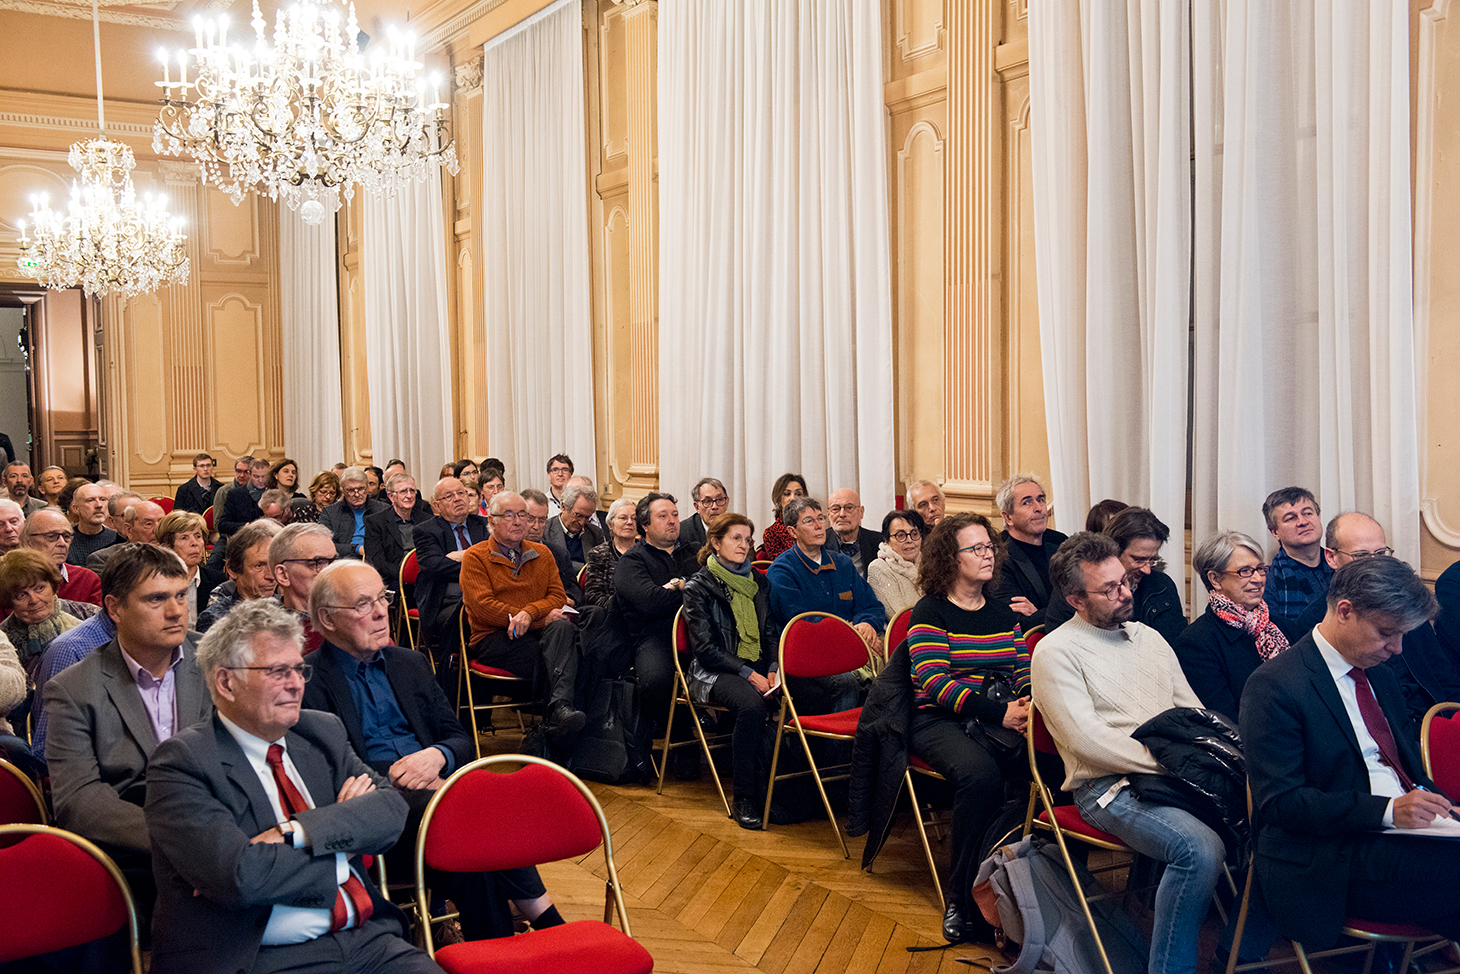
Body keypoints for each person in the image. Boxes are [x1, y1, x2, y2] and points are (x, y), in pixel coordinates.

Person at [143, 599, 436, 974]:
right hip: (258, 955)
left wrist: (297, 832)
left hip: (365, 940)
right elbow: (241, 878)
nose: (296, 683)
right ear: (226, 681)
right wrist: (343, 847)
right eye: (278, 671)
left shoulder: (320, 732)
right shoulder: (182, 762)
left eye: (298, 669)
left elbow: (391, 813)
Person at [303, 561, 566, 939]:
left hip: (442, 804)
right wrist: (404, 775)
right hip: (378, 819)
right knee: (473, 812)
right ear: (327, 618)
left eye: (383, 597)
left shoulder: (408, 664)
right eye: (363, 604)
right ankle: (546, 922)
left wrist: (438, 756)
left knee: (474, 857)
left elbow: (460, 739)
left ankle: (494, 953)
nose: (381, 612)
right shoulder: (308, 680)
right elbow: (331, 769)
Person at [1240, 556, 1460, 952]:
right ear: (1345, 611)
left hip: (1404, 837)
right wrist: (1389, 812)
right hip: (1330, 856)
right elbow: (1281, 804)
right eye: (1386, 634)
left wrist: (1442, 808)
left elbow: (1404, 770)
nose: (1397, 648)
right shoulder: (1275, 686)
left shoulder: (1380, 674)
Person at [1031, 531, 1221, 974]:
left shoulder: (1149, 638)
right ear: (1076, 599)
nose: (1125, 593)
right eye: (1109, 589)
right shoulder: (1055, 650)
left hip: (1171, 777)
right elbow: (1087, 742)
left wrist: (1207, 758)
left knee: (1275, 818)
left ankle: (1239, 950)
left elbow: (1191, 711)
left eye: (1125, 582)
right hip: (1106, 788)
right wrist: (1174, 764)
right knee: (1200, 851)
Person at [43, 545, 210, 945]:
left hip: (227, 828)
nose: (175, 611)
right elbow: (79, 801)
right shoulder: (72, 688)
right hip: (139, 850)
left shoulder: (219, 661)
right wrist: (179, 840)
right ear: (115, 608)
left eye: (180, 595)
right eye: (156, 599)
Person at [907, 513, 1034, 945]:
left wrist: (1028, 703)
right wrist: (1002, 715)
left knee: (1049, 769)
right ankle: (961, 898)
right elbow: (934, 682)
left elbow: (1022, 669)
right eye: (975, 548)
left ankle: (1027, 890)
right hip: (937, 719)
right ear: (949, 558)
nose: (988, 555)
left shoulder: (1002, 611)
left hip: (996, 717)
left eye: (989, 547)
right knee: (981, 777)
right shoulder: (931, 610)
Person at [681, 513, 782, 829]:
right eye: (736, 538)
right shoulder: (698, 586)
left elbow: (769, 632)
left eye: (748, 539)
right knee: (752, 706)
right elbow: (706, 650)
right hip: (712, 671)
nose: (744, 545)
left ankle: (787, 791)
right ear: (715, 542)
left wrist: (774, 668)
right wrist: (750, 675)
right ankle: (744, 797)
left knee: (809, 692)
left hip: (756, 666)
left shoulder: (759, 581)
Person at [459, 491, 585, 737]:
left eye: (522, 515)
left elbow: (557, 597)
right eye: (509, 515)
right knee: (564, 659)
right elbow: (483, 607)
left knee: (565, 631)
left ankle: (557, 719)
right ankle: (555, 731)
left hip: (539, 632)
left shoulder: (542, 553)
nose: (518, 521)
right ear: (491, 521)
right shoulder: (475, 557)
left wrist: (529, 614)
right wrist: (537, 616)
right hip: (495, 637)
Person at [1171, 530, 1293, 722]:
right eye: (1245, 571)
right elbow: (1224, 719)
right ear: (1215, 579)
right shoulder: (1196, 643)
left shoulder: (1280, 627)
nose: (1258, 579)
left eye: (1260, 568)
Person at [613, 492, 702, 744]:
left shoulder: (694, 551)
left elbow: (714, 587)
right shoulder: (632, 561)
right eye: (662, 516)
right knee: (656, 681)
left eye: (674, 514)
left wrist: (678, 585)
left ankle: (728, 745)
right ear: (645, 525)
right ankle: (682, 739)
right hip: (654, 636)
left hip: (701, 631)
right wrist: (692, 590)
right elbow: (651, 602)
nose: (672, 521)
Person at [1044, 506, 1187, 643]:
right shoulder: (1077, 588)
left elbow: (1177, 643)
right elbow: (1062, 644)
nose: (1147, 570)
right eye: (1138, 559)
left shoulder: (1162, 585)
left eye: (1152, 560)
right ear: (1114, 551)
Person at [766, 497, 885, 655]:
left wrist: (866, 624)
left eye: (820, 518)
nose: (818, 526)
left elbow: (871, 606)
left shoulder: (842, 563)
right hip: (813, 654)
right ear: (792, 531)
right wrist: (853, 634)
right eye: (809, 521)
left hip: (855, 645)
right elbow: (801, 626)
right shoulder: (782, 571)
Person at [0, 547, 100, 684]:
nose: (34, 600)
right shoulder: (4, 641)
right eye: (21, 595)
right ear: (9, 600)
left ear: (52, 585)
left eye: (40, 588)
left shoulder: (90, 615)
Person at [413, 477, 491, 649]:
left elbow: (497, 558)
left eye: (461, 493)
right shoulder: (425, 531)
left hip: (488, 595)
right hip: (447, 601)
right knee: (471, 616)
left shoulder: (485, 525)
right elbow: (436, 567)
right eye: (449, 496)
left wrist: (466, 555)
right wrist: (480, 563)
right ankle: (455, 667)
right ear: (436, 506)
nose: (457, 498)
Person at [990, 473, 1067, 627]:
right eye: (1027, 503)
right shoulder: (997, 555)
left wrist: (1038, 612)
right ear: (1008, 517)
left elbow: (1084, 599)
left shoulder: (1061, 543)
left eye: (1041, 500)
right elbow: (1019, 621)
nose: (1038, 508)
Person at [1261, 486, 1332, 628]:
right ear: (1275, 532)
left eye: (1307, 513)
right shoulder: (1267, 582)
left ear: (1318, 517)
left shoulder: (1342, 565)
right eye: (1290, 518)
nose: (1303, 522)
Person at [198, 519, 282, 632]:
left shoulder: (288, 609)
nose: (271, 576)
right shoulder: (216, 620)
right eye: (259, 566)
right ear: (232, 569)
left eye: (273, 564)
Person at [269, 523, 336, 654]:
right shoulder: (265, 635)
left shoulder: (354, 620)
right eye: (318, 563)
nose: (330, 571)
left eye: (332, 562)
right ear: (283, 575)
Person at [156, 510, 224, 627]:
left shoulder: (219, 582)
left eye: (198, 536)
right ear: (167, 547)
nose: (194, 543)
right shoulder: (155, 585)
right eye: (184, 538)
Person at [23, 506, 102, 605]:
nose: (62, 543)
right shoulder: (11, 579)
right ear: (28, 541)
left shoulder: (87, 579)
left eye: (66, 537)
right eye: (51, 536)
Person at [363, 473, 431, 585]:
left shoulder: (427, 520)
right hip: (394, 579)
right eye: (404, 491)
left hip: (426, 577)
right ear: (391, 496)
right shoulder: (376, 522)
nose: (409, 496)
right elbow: (377, 562)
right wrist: (407, 574)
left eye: (412, 491)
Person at [867, 509, 928, 625]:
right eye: (901, 535)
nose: (909, 540)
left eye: (914, 534)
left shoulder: (929, 564)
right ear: (887, 540)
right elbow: (899, 616)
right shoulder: (879, 567)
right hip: (904, 637)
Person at [522, 488, 582, 604]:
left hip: (561, 606)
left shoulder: (559, 553)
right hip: (532, 609)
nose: (536, 526)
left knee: (595, 613)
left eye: (542, 520)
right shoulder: (510, 551)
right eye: (530, 519)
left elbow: (573, 589)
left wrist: (570, 599)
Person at [320, 466, 388, 560]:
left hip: (377, 560)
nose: (357, 494)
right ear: (342, 490)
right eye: (351, 490)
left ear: (367, 487)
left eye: (361, 489)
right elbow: (324, 545)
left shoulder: (383, 510)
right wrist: (357, 548)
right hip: (343, 561)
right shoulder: (330, 512)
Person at [583, 497, 638, 609]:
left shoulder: (649, 552)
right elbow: (593, 596)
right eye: (623, 518)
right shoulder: (599, 554)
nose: (630, 522)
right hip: (612, 614)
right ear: (610, 524)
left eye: (634, 518)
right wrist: (625, 606)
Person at [88, 499, 167, 573]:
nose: (157, 530)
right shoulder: (104, 560)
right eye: (148, 524)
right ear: (129, 530)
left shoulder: (174, 555)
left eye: (162, 523)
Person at [543, 482, 604, 572]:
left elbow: (600, 567)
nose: (582, 522)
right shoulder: (545, 531)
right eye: (578, 515)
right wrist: (583, 568)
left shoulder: (595, 533)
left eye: (587, 517)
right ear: (563, 507)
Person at [826, 488, 881, 577]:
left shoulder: (879, 543)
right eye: (835, 509)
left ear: (861, 512)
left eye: (849, 508)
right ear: (828, 515)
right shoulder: (817, 545)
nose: (842, 514)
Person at [67, 480, 118, 566]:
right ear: (76, 509)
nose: (99, 505)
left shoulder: (117, 538)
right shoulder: (65, 539)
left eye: (102, 499)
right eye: (90, 500)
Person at [759, 473, 807, 560]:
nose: (793, 498)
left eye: (798, 494)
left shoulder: (813, 524)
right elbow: (782, 565)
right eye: (787, 494)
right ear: (779, 498)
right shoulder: (771, 533)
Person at [220, 458, 273, 536]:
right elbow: (223, 525)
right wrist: (247, 526)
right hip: (243, 538)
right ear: (249, 474)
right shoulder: (235, 494)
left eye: (264, 476)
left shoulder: (274, 493)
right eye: (256, 476)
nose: (261, 480)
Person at [680, 478, 729, 550]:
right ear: (697, 507)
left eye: (720, 499)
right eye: (707, 501)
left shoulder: (737, 528)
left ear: (726, 503)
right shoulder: (683, 533)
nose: (714, 506)